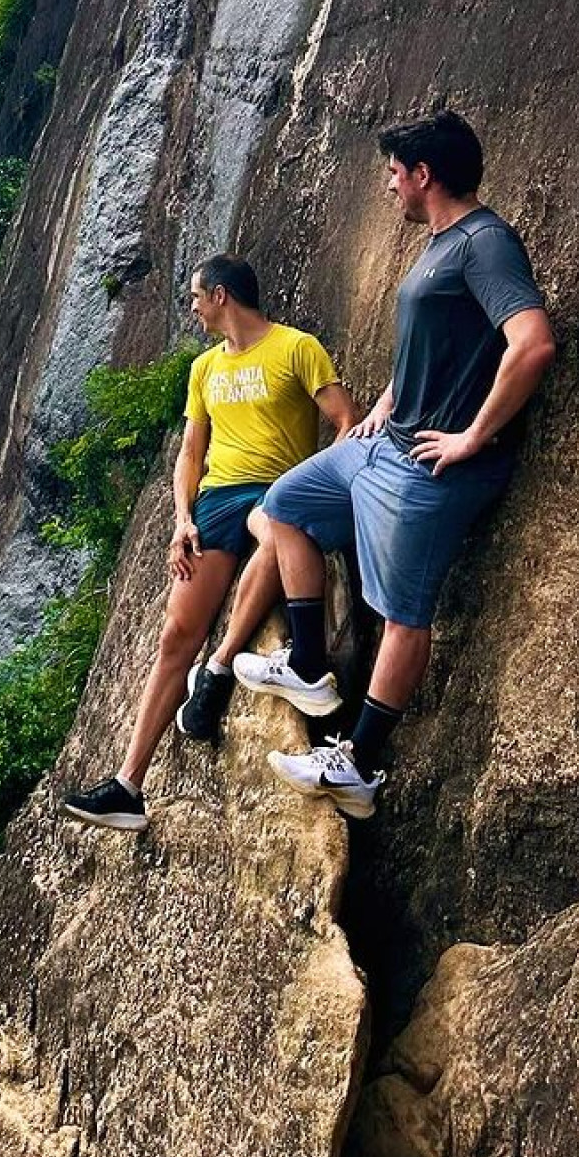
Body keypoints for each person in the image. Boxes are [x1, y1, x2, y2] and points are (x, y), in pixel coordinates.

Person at [237, 108, 555, 819]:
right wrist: (384, 400)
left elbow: (530, 343)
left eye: (394, 173)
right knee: (281, 506)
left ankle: (358, 763)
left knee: (404, 614)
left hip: (429, 472)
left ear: (424, 175)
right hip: (384, 446)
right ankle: (311, 667)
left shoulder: (485, 243)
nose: (388, 186)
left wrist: (472, 436)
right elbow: (440, 342)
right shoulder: (440, 243)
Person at [61, 255, 357, 831]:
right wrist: (180, 519)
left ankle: (222, 666)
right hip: (215, 500)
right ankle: (127, 786)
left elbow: (347, 418)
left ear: (220, 295)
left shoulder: (297, 348)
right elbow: (191, 454)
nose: (192, 306)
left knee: (275, 533)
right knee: (176, 635)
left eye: (197, 296)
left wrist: (321, 483)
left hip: (278, 490)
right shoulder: (204, 369)